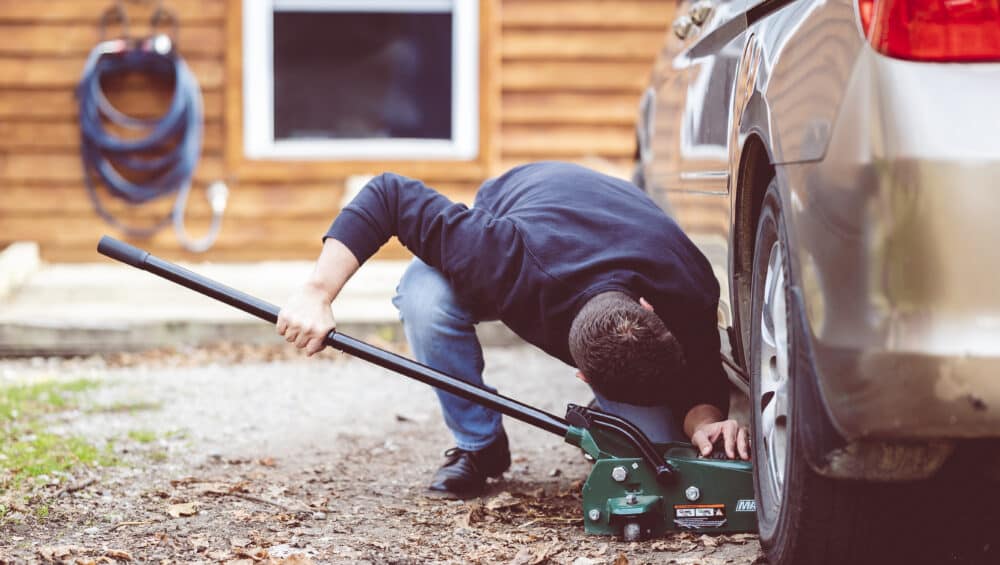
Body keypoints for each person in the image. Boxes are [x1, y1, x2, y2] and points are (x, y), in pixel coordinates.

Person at [277, 161, 750, 499]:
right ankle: (478, 447)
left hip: (615, 209)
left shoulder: (686, 288)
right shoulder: (502, 256)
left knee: (660, 447)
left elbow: (702, 377)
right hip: (524, 199)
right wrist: (318, 291)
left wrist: (706, 425)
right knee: (425, 298)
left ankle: (608, 419)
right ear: (581, 374)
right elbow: (387, 192)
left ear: (652, 312)